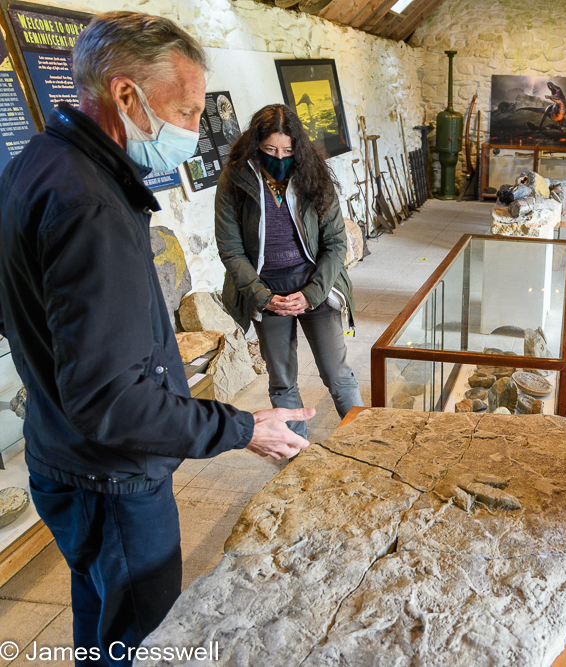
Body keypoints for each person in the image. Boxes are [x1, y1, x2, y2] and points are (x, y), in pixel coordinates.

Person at [0, 12, 312, 666]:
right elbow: (111, 400)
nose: (194, 131)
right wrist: (241, 427)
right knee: (141, 633)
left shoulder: (40, 161)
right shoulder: (88, 204)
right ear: (125, 95)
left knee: (102, 610)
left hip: (63, 457)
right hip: (110, 477)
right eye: (187, 111)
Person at [215, 104, 362, 434]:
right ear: (255, 145)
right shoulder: (234, 179)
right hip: (266, 289)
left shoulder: (313, 175)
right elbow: (230, 248)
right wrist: (262, 297)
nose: (279, 159)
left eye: (287, 151)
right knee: (281, 381)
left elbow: (336, 242)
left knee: (336, 374)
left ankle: (362, 439)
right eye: (270, 150)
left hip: (315, 285)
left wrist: (311, 295)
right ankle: (296, 456)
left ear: (299, 149)